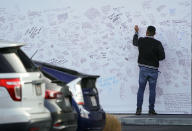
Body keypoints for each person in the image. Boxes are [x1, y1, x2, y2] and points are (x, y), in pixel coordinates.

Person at [132, 25, 165, 115]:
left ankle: (138, 109)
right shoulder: (158, 43)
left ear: (146, 32)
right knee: (152, 90)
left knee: (141, 89)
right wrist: (155, 58)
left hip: (143, 69)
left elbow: (134, 42)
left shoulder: (141, 40)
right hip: (154, 70)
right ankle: (151, 109)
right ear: (154, 33)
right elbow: (162, 57)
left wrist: (136, 32)